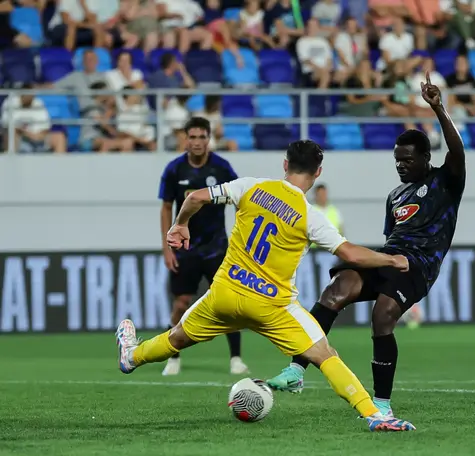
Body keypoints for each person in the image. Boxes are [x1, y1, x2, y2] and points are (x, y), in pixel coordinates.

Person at [116, 138, 416, 432]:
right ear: (318, 172)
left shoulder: (250, 186)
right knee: (325, 355)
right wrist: (392, 260)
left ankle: (131, 357)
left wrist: (180, 224)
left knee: (176, 338)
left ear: (285, 165)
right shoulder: (310, 216)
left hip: (224, 295)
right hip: (271, 305)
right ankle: (373, 414)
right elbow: (350, 254)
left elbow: (195, 198)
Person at [267, 72, 467, 418]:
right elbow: (391, 236)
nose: (400, 166)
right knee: (335, 291)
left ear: (425, 158)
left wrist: (438, 108)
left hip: (418, 265)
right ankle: (297, 369)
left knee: (382, 315)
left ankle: (382, 404)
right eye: (397, 160)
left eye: (407, 160)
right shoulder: (395, 195)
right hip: (389, 256)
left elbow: (457, 150)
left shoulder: (446, 181)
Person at [157, 117, 247, 376]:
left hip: (217, 247)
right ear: (185, 139)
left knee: (227, 302)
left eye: (202, 137)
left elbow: (240, 200)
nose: (197, 142)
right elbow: (166, 208)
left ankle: (236, 358)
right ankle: (173, 356)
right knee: (181, 303)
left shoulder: (222, 168)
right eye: (192, 137)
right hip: (185, 248)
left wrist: (240, 238)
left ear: (209, 139)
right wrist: (167, 247)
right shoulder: (174, 169)